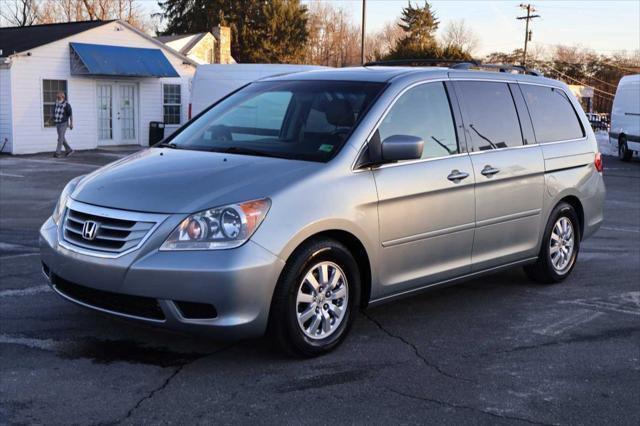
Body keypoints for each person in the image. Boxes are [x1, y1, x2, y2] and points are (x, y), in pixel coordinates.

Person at [54, 91, 74, 158]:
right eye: (57, 94)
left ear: (62, 96)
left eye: (58, 94)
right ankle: (69, 150)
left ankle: (58, 153)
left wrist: (71, 123)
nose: (57, 95)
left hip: (64, 123)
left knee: (60, 138)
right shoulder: (56, 103)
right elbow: (55, 112)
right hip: (57, 123)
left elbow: (70, 114)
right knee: (61, 138)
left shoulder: (67, 105)